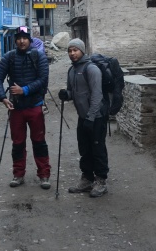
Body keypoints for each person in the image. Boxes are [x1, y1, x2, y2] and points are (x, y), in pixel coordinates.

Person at [0, 25, 51, 189]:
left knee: (39, 141)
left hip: (35, 106)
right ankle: (18, 174)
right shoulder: (9, 57)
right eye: (18, 38)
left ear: (30, 40)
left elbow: (43, 80)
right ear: (15, 40)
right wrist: (3, 98)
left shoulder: (39, 57)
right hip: (16, 108)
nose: (21, 41)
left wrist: (24, 90)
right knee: (17, 143)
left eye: (25, 38)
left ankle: (44, 174)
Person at [58, 38, 109, 198]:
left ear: (82, 50)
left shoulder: (91, 69)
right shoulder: (72, 70)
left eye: (75, 50)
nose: (72, 53)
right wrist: (66, 95)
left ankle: (101, 181)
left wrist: (91, 117)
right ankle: (87, 178)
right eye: (70, 51)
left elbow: (97, 95)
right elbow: (76, 93)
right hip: (83, 117)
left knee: (97, 148)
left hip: (96, 116)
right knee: (84, 148)